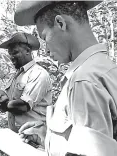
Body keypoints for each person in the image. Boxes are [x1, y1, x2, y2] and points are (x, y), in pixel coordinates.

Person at [15, 1, 117, 155]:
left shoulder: (84, 80)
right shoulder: (104, 68)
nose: (47, 50)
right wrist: (48, 137)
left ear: (60, 23)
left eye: (45, 37)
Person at [0, 32, 52, 134]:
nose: (11, 57)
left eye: (15, 53)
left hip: (36, 138)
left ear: (27, 51)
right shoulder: (16, 76)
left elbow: (22, 106)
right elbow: (7, 103)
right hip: (18, 137)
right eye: (10, 54)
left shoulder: (38, 74)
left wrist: (2, 103)